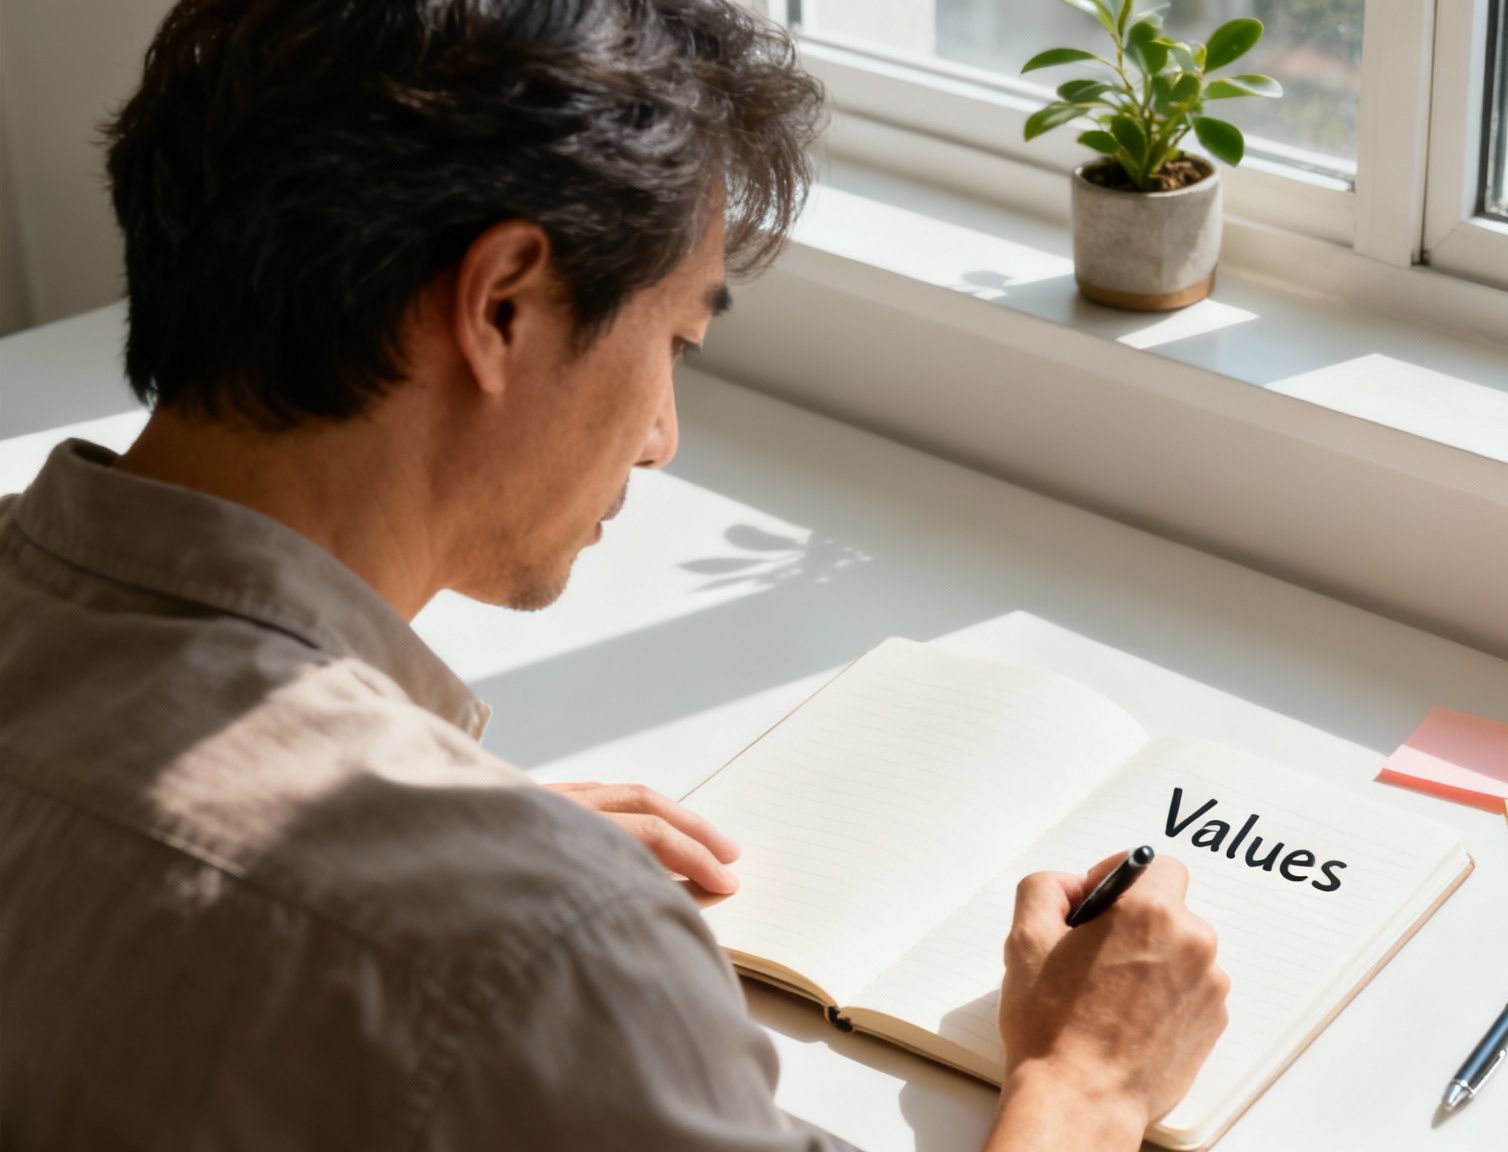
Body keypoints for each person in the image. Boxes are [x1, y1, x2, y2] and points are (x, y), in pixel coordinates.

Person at [0, 1, 1229, 1149]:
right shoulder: (541, 953)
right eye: (675, 342)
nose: (660, 436)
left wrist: (429, 853)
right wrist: (1088, 1088)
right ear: (502, 305)